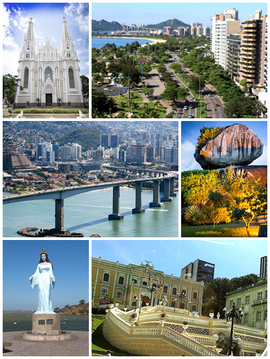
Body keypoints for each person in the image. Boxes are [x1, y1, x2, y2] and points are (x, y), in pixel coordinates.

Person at [29, 249, 56, 314]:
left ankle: (47, 309)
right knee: (41, 293)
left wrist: (52, 277)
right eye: (42, 256)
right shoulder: (39, 265)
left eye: (44, 256)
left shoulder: (49, 264)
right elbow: (36, 273)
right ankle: (41, 309)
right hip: (40, 278)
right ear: (41, 257)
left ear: (46, 256)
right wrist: (32, 276)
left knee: (47, 293)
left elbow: (51, 273)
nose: (43, 257)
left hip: (47, 278)